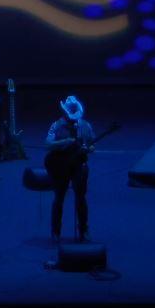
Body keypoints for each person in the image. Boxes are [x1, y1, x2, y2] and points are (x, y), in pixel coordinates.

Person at [44, 95, 95, 243]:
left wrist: (89, 148)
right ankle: (55, 231)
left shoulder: (85, 125)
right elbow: (47, 143)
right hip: (61, 166)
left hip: (79, 164)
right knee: (59, 198)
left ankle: (83, 230)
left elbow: (91, 143)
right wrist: (64, 142)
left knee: (81, 198)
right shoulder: (56, 125)